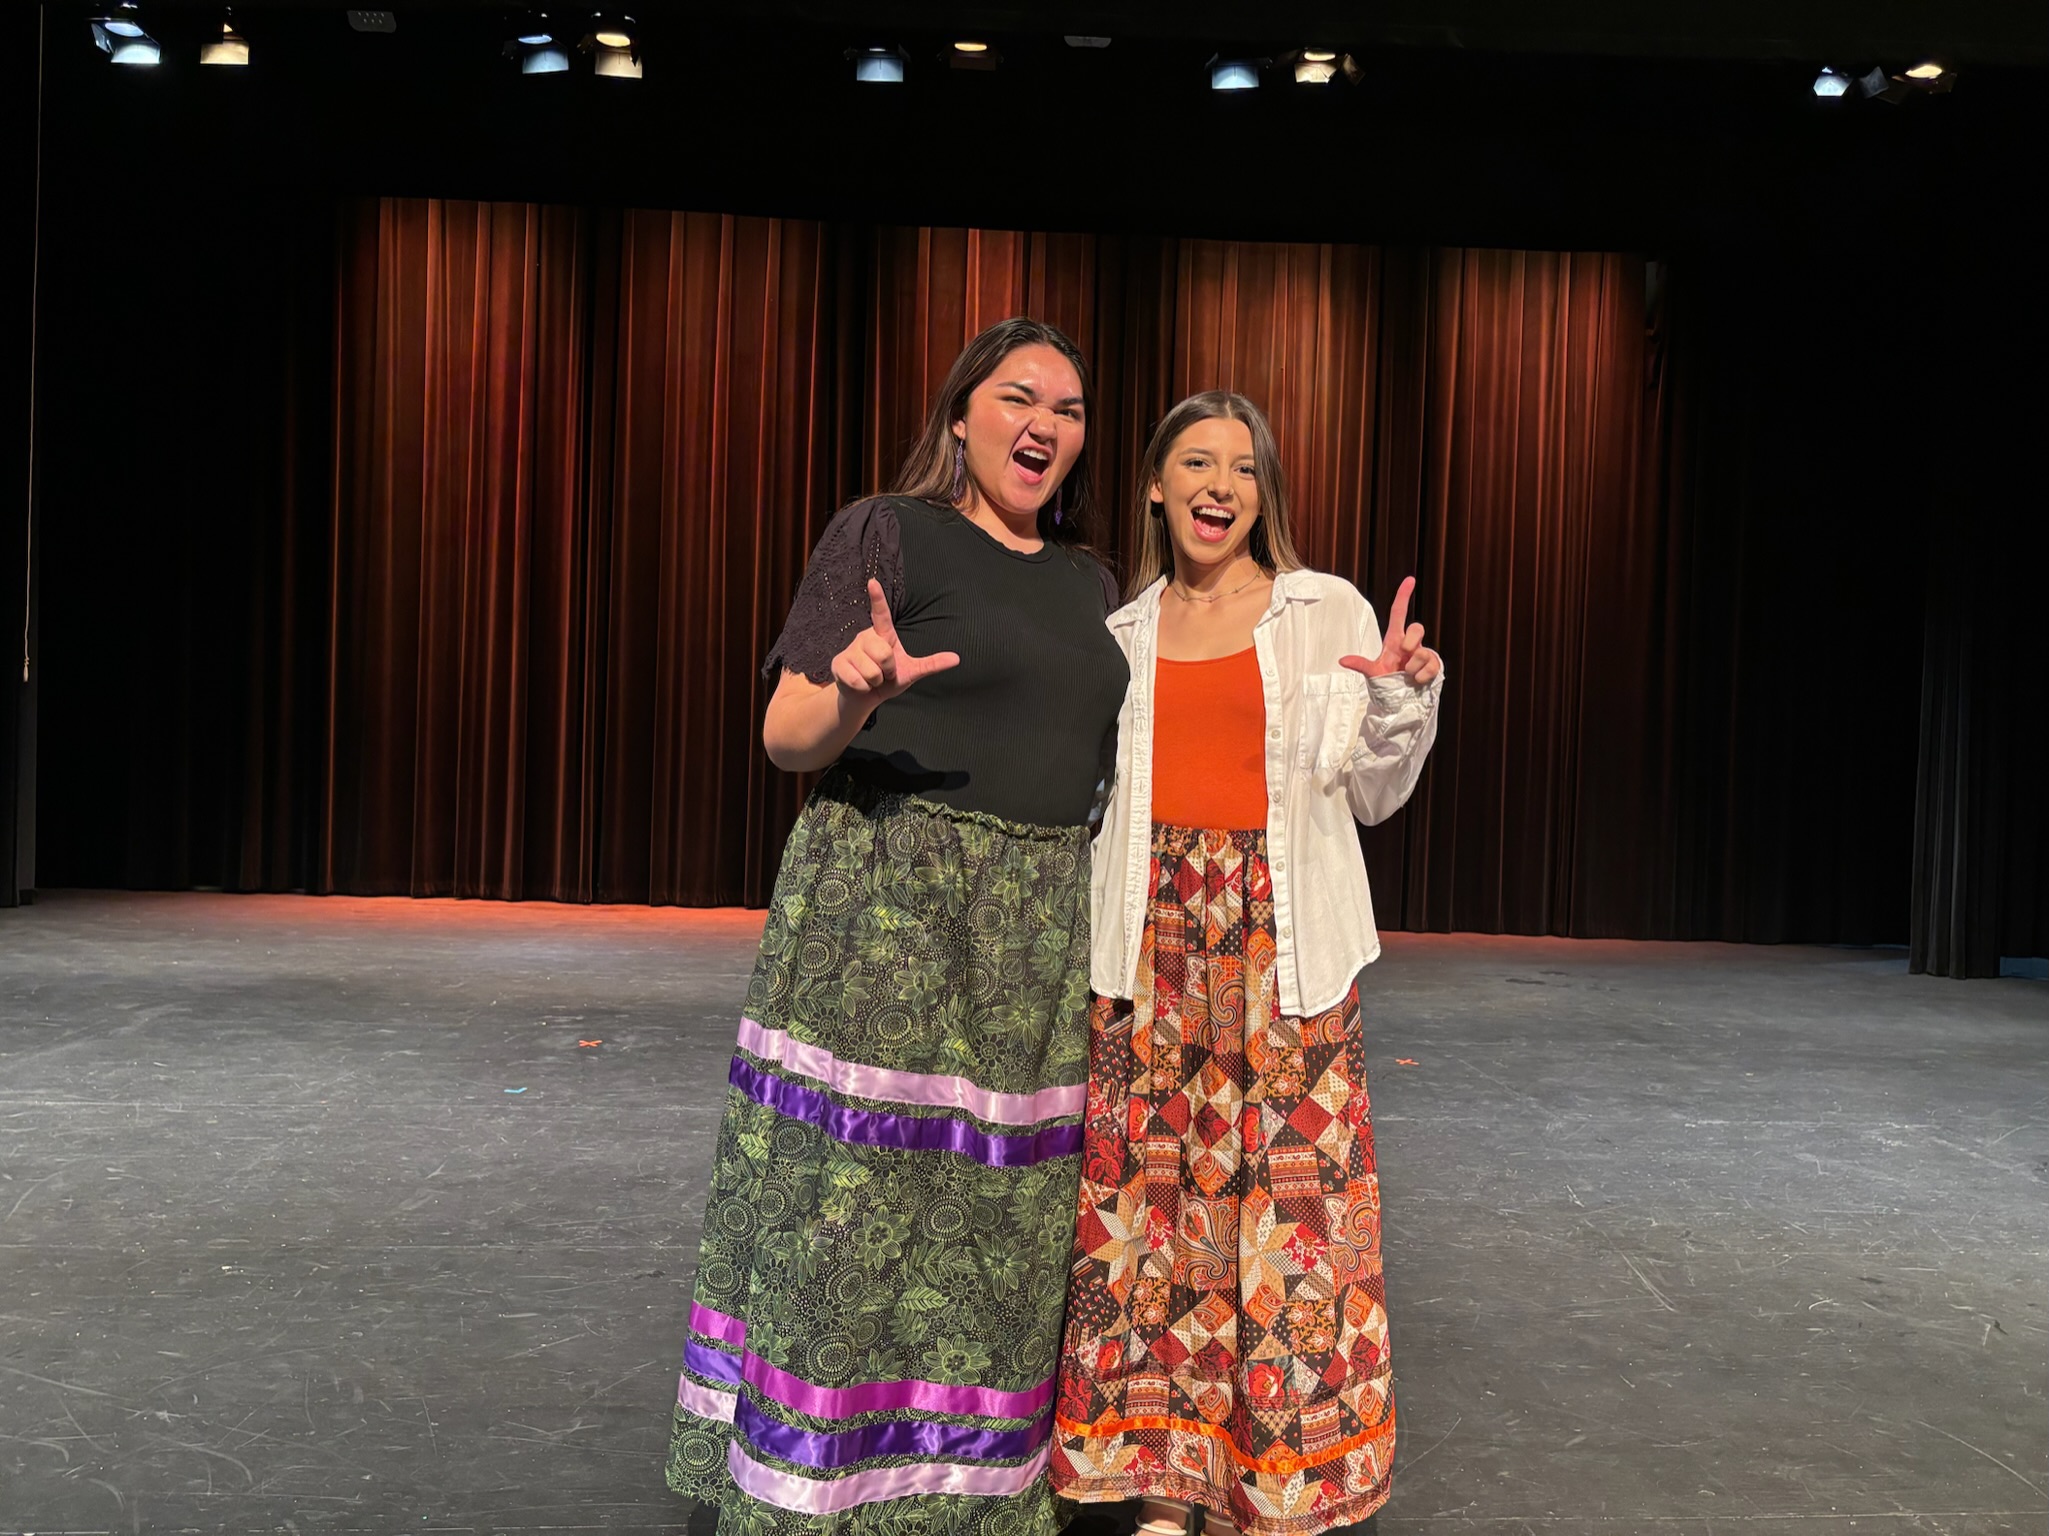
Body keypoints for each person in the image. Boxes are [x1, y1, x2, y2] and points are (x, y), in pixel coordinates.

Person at [666, 319, 1130, 1536]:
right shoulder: (887, 532)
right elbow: (784, 738)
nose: (1044, 424)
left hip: (1033, 936)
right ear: (962, 414)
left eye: (1069, 409)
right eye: (1019, 397)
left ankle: (965, 1504)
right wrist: (855, 686)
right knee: (855, 1220)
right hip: (886, 912)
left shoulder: (1093, 584)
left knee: (1000, 1234)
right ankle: (814, 1501)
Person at [1050, 392, 1444, 1536]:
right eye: (1194, 462)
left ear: (1263, 494)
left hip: (1284, 949)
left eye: (1242, 468)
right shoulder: (1121, 633)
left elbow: (1374, 791)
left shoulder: (1325, 613)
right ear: (1157, 487)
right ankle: (1166, 1486)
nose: (1218, 485)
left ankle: (1276, 1481)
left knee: (1287, 1221)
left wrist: (1398, 699)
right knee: (1153, 1221)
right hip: (1152, 949)